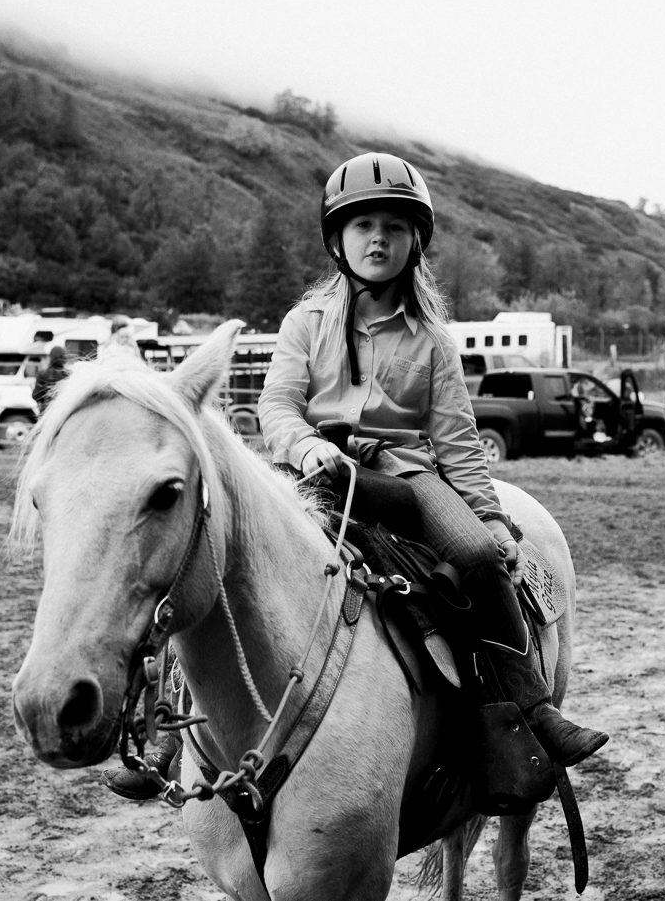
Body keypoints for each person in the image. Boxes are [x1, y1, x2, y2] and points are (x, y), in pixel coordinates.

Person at [106, 153, 607, 801]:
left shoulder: (433, 342)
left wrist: (489, 516)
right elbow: (277, 405)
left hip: (407, 481)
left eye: (394, 227)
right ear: (337, 239)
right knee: (206, 553)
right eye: (364, 224)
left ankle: (529, 708)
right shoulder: (304, 324)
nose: (378, 238)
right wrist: (307, 445)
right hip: (318, 475)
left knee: (482, 558)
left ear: (415, 242)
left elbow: (457, 444)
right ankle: (168, 732)